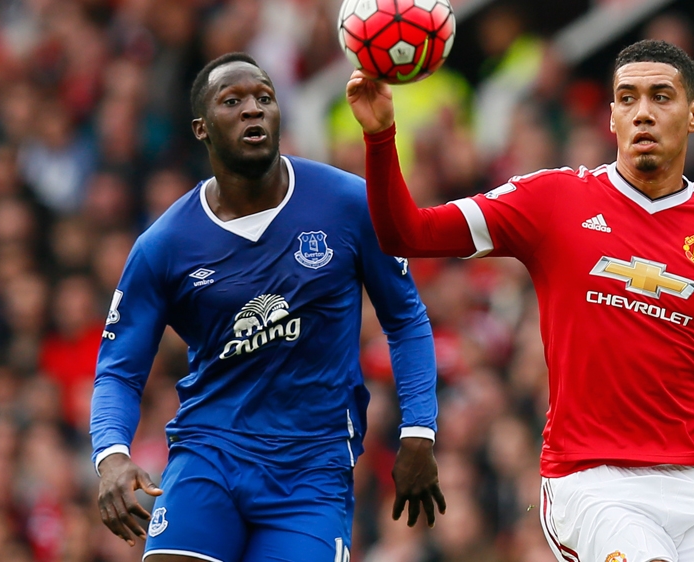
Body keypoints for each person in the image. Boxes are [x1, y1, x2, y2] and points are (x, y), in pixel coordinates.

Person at [346, 40, 694, 562]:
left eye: (660, 96)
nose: (642, 112)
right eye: (627, 98)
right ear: (611, 118)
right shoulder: (552, 200)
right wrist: (380, 137)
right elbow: (407, 234)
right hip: (592, 483)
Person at [91, 52, 445, 562]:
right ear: (201, 129)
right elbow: (118, 372)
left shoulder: (347, 204)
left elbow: (406, 319)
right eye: (231, 101)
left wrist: (418, 430)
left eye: (264, 98)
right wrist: (111, 457)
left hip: (312, 469)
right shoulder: (163, 244)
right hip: (209, 453)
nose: (252, 110)